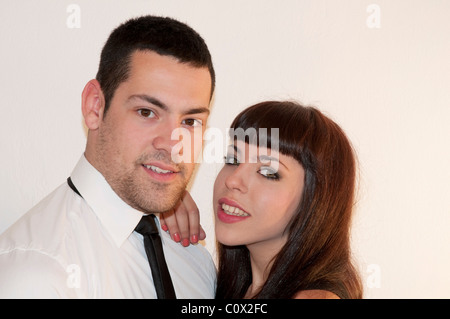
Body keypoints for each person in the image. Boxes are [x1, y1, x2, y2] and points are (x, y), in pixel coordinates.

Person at [0, 15, 216, 298]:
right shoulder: (37, 275)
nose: (173, 145)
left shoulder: (195, 262)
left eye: (190, 121)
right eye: (147, 112)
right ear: (94, 107)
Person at [213, 100, 363, 299]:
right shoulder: (235, 286)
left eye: (268, 172)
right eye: (232, 160)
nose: (232, 180)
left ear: (314, 198)